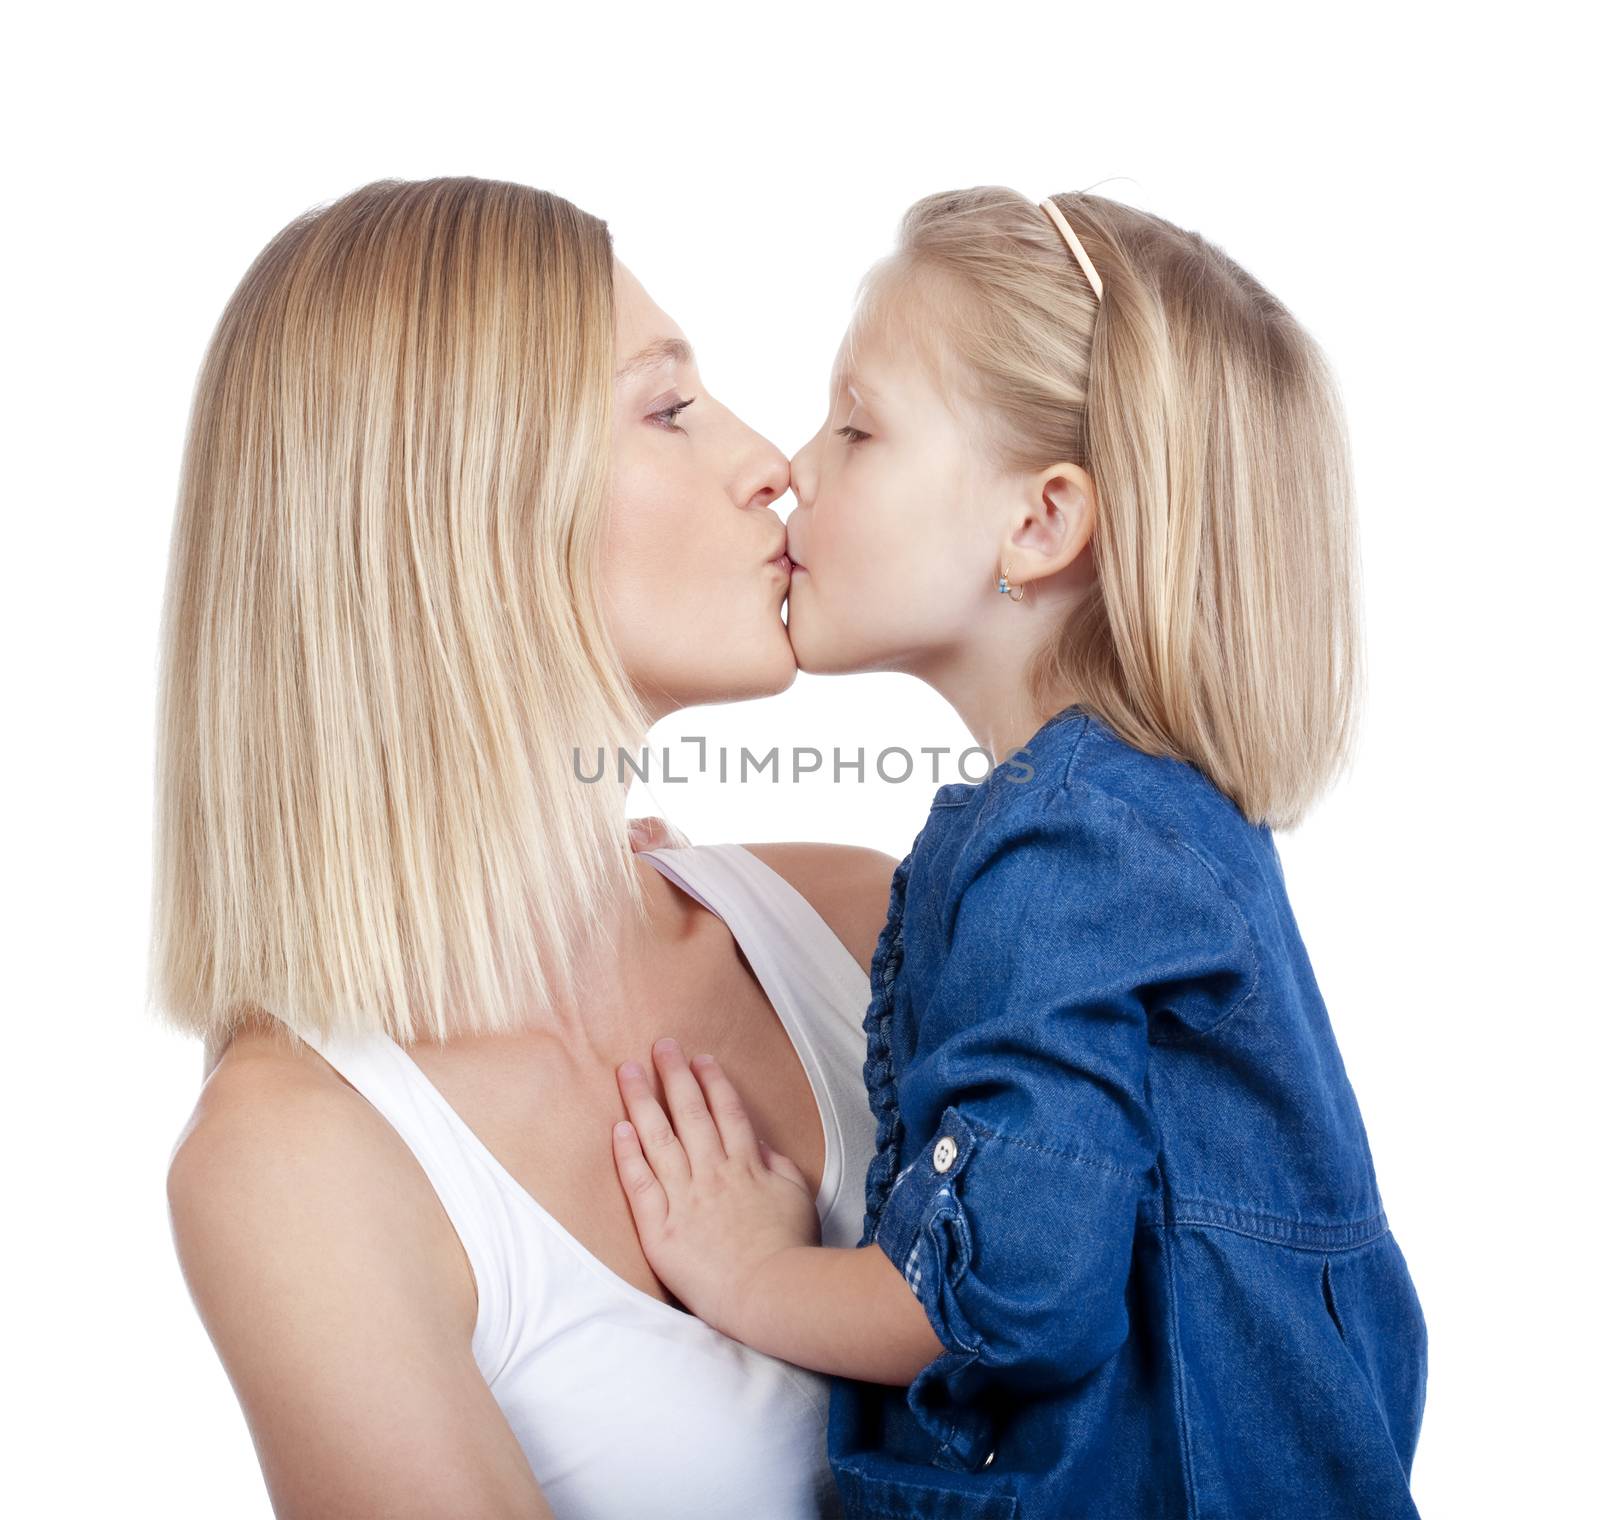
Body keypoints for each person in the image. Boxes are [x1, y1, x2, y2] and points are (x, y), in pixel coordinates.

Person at [606, 187, 1429, 1518]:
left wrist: (749, 1271)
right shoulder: (1137, 820)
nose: (795, 467)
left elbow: (1009, 1290)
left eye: (858, 427)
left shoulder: (1064, 852)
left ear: (1041, 524)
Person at [157, 175, 896, 1519]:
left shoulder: (878, 920)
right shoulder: (298, 1161)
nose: (771, 464)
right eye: (668, 408)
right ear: (463, 511)